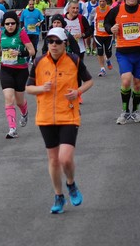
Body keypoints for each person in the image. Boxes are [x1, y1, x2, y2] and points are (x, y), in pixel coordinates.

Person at [25, 27, 93, 214]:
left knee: (65, 158)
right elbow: (28, 88)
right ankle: (59, 195)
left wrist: (77, 92)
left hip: (69, 114)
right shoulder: (39, 62)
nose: (53, 45)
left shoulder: (74, 60)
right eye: (50, 41)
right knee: (54, 160)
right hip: (46, 117)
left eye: (57, 42)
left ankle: (70, 183)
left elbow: (89, 81)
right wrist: (42, 88)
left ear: (65, 44)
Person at [0, 11, 35, 138]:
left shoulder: (22, 33)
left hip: (20, 70)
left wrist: (20, 54)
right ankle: (12, 129)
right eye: (7, 23)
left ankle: (24, 113)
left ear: (17, 23)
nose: (10, 26)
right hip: (6, 70)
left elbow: (32, 51)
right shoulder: (1, 34)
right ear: (4, 24)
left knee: (20, 101)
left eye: (13, 23)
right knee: (9, 99)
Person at [93, 0, 114, 77]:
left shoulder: (110, 9)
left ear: (106, 2)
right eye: (100, 1)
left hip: (108, 34)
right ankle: (102, 69)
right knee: (100, 51)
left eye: (103, 1)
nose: (101, 3)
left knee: (108, 52)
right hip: (98, 34)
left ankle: (107, 59)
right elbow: (90, 18)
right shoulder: (95, 10)